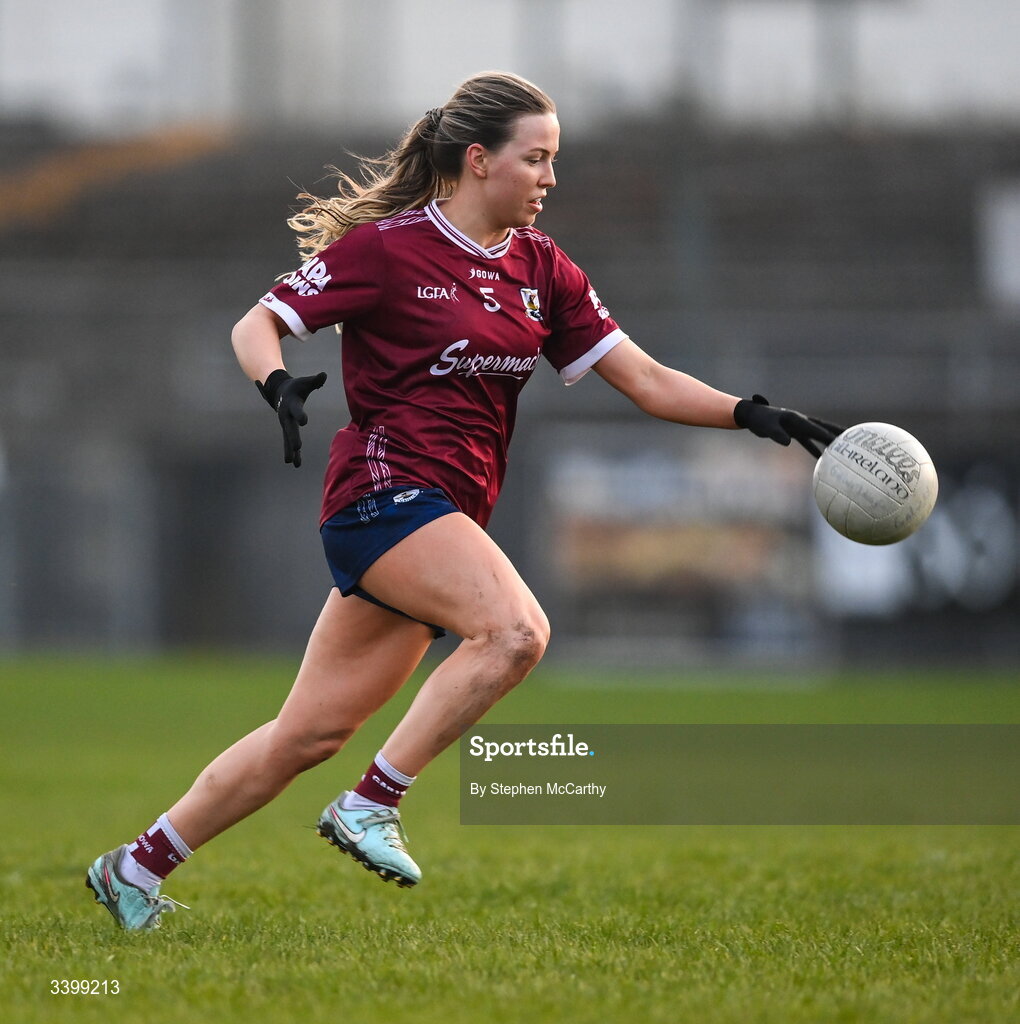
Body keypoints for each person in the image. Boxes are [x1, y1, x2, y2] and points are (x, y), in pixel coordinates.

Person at [86, 71, 840, 931]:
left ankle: (133, 868)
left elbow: (648, 380)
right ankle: (372, 803)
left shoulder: (542, 268)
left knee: (307, 735)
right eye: (538, 159)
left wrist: (749, 411)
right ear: (479, 160)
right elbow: (256, 323)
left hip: (444, 515)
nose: (551, 178)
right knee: (517, 632)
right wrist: (276, 384)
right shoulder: (388, 250)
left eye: (556, 160)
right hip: (383, 493)